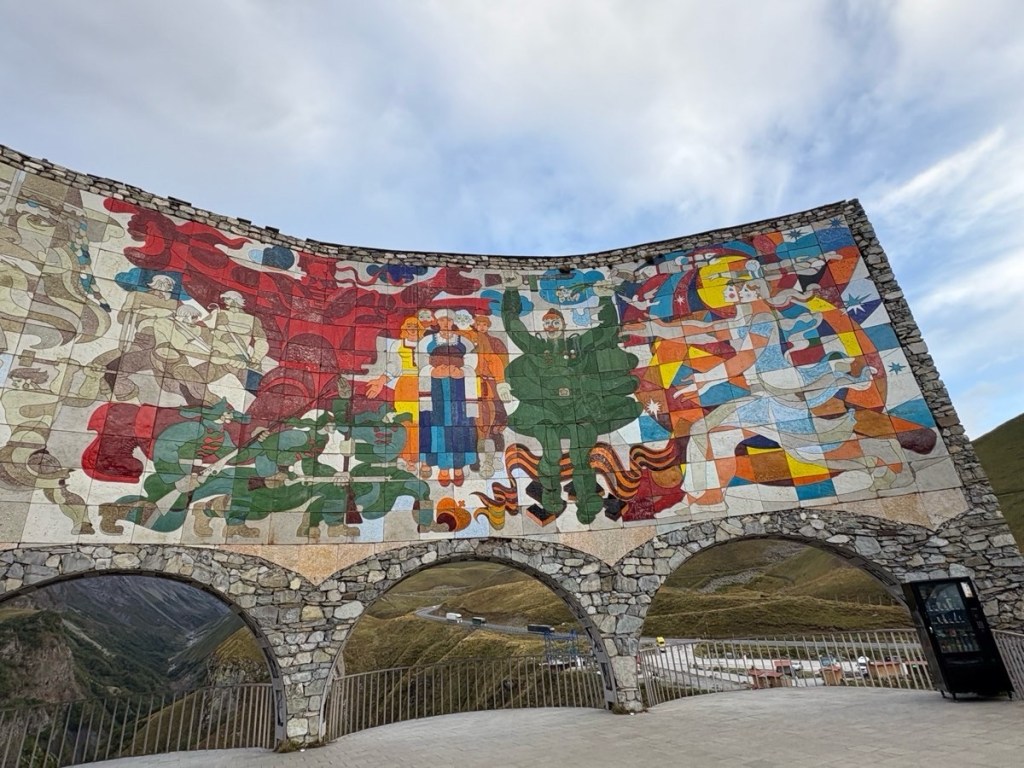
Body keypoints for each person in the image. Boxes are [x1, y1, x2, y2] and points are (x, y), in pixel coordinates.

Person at [501, 274, 641, 523]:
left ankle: (588, 504)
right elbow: (514, 327)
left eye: (556, 321)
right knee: (551, 453)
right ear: (544, 327)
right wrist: (511, 292)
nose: (552, 326)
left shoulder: (577, 346)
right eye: (548, 322)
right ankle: (551, 499)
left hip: (579, 409)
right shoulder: (537, 348)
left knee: (580, 457)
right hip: (546, 412)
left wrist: (605, 298)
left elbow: (605, 330)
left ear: (563, 325)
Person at [417, 308, 478, 486]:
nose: (446, 323)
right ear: (437, 322)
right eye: (442, 320)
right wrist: (432, 371)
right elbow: (420, 360)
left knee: (461, 422)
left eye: (449, 320)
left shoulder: (464, 341)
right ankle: (442, 467)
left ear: (453, 322)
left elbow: (472, 360)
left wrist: (462, 371)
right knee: (435, 423)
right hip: (435, 386)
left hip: (459, 387)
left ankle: (459, 466)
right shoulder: (427, 341)